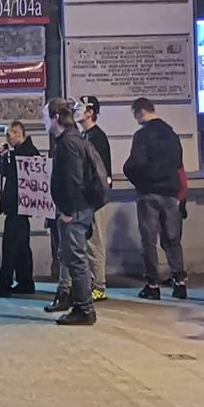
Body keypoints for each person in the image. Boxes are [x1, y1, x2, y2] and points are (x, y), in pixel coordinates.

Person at [46, 98, 106, 327]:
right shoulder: (69, 138)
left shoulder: (68, 142)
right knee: (73, 258)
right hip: (76, 209)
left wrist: (69, 210)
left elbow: (74, 179)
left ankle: (84, 308)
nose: (44, 120)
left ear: (56, 118)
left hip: (75, 210)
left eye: (46, 115)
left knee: (77, 259)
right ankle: (79, 304)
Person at [124, 98, 188, 301]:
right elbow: (178, 162)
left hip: (149, 194)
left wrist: (139, 181)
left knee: (149, 240)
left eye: (135, 115)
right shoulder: (171, 134)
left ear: (141, 111)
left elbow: (135, 163)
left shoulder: (142, 135)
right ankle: (179, 282)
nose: (135, 120)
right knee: (172, 240)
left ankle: (153, 284)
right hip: (170, 193)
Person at [0, 120, 39, 297]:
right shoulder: (15, 153)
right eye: (7, 133)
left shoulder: (28, 152)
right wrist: (2, 158)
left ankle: (4, 283)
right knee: (21, 245)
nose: (9, 136)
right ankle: (25, 282)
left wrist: (10, 156)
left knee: (10, 244)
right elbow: (7, 173)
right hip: (14, 205)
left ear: (19, 134)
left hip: (20, 205)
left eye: (12, 133)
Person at [79, 96, 113, 302]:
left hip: (96, 198)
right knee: (88, 242)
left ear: (90, 112)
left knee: (95, 242)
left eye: (80, 108)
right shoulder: (86, 136)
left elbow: (98, 171)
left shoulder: (96, 137)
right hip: (88, 197)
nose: (76, 111)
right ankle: (92, 282)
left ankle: (99, 286)